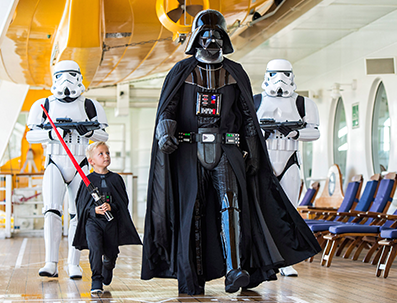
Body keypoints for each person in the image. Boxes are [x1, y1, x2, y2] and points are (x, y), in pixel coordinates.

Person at [141, 9, 321, 295]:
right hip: (189, 151)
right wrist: (165, 132)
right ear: (196, 39)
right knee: (194, 211)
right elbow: (168, 109)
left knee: (232, 205)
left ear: (224, 38)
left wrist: (255, 152)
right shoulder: (181, 71)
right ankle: (191, 276)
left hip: (228, 148)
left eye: (216, 35)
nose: (211, 40)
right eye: (206, 35)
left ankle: (234, 269)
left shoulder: (235, 72)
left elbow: (247, 115)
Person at [26, 60, 109, 279]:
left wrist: (87, 133)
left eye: (71, 74)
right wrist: (52, 134)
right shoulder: (44, 105)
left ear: (79, 77)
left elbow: (103, 135)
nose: (66, 80)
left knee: (78, 214)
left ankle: (74, 263)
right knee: (51, 211)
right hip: (54, 162)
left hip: (80, 163)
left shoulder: (90, 106)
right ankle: (50, 262)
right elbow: (31, 135)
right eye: (61, 75)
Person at [254, 59, 321, 277]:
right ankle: (264, 257)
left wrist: (293, 133)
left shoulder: (303, 103)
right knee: (263, 211)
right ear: (267, 75)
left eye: (284, 74)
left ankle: (286, 260)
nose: (279, 79)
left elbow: (315, 132)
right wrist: (262, 132)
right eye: (274, 74)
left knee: (289, 211)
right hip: (263, 161)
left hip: (290, 159)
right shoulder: (256, 101)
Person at [72, 141, 141, 296]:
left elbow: (123, 202)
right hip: (93, 222)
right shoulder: (87, 180)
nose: (106, 156)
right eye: (101, 154)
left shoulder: (116, 179)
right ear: (91, 161)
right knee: (95, 249)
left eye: (107, 153)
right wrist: (94, 210)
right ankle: (96, 279)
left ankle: (108, 265)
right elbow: (81, 205)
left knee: (111, 251)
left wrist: (112, 207)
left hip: (111, 223)